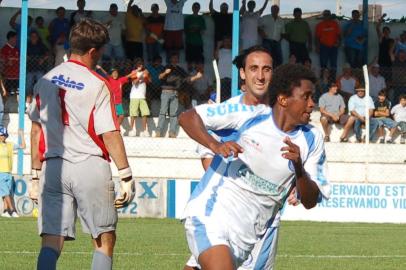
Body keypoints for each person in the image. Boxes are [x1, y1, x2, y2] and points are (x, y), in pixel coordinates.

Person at [179, 63, 330, 270]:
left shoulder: (313, 139)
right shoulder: (249, 114)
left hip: (246, 238)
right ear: (283, 99)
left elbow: (311, 201)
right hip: (212, 213)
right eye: (306, 97)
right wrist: (215, 145)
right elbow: (187, 117)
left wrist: (299, 168)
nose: (312, 104)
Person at [27, 18, 135, 270]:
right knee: (103, 240)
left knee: (51, 241)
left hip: (53, 167)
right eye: (101, 51)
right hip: (89, 164)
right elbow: (109, 132)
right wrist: (126, 175)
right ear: (93, 51)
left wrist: (34, 176)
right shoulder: (98, 84)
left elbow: (35, 131)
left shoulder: (45, 80)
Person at [0, 127, 25, 218]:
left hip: (8, 173)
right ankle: (13, 210)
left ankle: (5, 211)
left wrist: (21, 134)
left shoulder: (10, 145)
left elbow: (23, 146)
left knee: (6, 193)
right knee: (6, 192)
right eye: (0, 135)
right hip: (0, 173)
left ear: (6, 136)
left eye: (2, 135)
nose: (1, 137)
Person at [315, 9, 341, 80]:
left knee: (333, 64)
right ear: (323, 16)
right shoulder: (319, 25)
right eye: (325, 15)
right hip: (323, 46)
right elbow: (317, 37)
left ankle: (332, 80)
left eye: (328, 15)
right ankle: (323, 80)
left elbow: (338, 35)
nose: (326, 16)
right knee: (323, 64)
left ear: (330, 15)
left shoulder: (335, 24)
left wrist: (339, 43)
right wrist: (317, 47)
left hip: (333, 46)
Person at [128, 58, 152, 137]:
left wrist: (147, 75)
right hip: (134, 96)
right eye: (138, 64)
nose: (140, 66)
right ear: (136, 65)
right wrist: (141, 76)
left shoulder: (145, 72)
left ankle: (145, 130)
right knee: (133, 114)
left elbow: (149, 81)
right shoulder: (133, 72)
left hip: (142, 96)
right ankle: (132, 130)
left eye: (141, 64)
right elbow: (135, 82)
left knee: (145, 113)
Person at [27, 31, 50, 99]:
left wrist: (43, 59)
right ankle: (29, 97)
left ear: (38, 37)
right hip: (30, 68)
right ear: (30, 37)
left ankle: (40, 97)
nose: (34, 38)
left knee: (40, 82)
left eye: (35, 36)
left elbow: (48, 54)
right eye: (32, 36)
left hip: (39, 68)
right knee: (29, 83)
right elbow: (23, 54)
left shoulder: (41, 45)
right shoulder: (27, 45)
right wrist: (26, 57)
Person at [184, 2, 206, 68]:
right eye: (194, 7)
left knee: (198, 60)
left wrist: (194, 29)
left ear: (199, 8)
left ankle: (198, 74)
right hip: (189, 41)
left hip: (198, 42)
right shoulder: (187, 18)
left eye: (197, 7)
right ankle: (189, 73)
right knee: (189, 60)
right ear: (192, 8)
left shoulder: (201, 19)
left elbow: (203, 32)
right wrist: (196, 29)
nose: (196, 9)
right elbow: (185, 31)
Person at [0, 31, 19, 95]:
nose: (16, 40)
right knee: (7, 94)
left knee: (19, 93)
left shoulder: (17, 49)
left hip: (17, 77)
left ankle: (20, 105)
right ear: (11, 38)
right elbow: (1, 63)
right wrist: (7, 63)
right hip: (8, 77)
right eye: (15, 38)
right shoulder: (4, 49)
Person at [375, 15, 393, 81]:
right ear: (383, 32)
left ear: (389, 31)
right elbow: (377, 28)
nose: (386, 32)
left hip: (389, 63)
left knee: (388, 80)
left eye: (387, 30)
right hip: (381, 62)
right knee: (380, 79)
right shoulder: (381, 39)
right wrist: (381, 18)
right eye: (384, 30)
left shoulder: (392, 40)